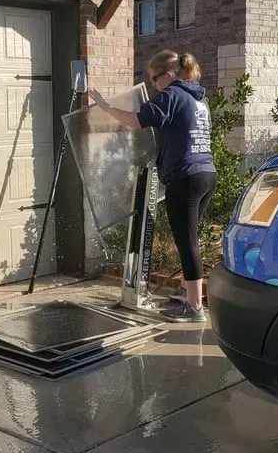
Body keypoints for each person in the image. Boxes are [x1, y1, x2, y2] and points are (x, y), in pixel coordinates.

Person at [88, 50, 216, 323]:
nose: (153, 85)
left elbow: (137, 121)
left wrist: (106, 107)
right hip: (206, 174)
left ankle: (194, 308)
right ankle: (189, 294)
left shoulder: (171, 95)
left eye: (154, 79)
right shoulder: (198, 99)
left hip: (185, 176)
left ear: (168, 75)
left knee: (187, 242)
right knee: (190, 239)